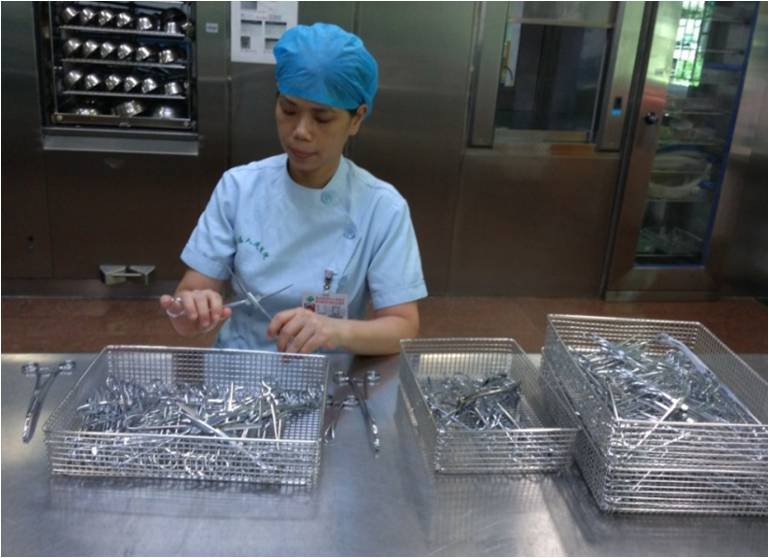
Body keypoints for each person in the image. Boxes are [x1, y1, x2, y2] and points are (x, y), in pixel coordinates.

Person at [159, 23, 427, 355]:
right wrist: (191, 308)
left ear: (356, 119)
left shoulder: (382, 208)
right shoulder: (239, 188)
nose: (300, 131)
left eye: (322, 118)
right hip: (239, 367)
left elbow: (402, 326)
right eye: (289, 110)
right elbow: (192, 295)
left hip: (328, 372)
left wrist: (336, 330)